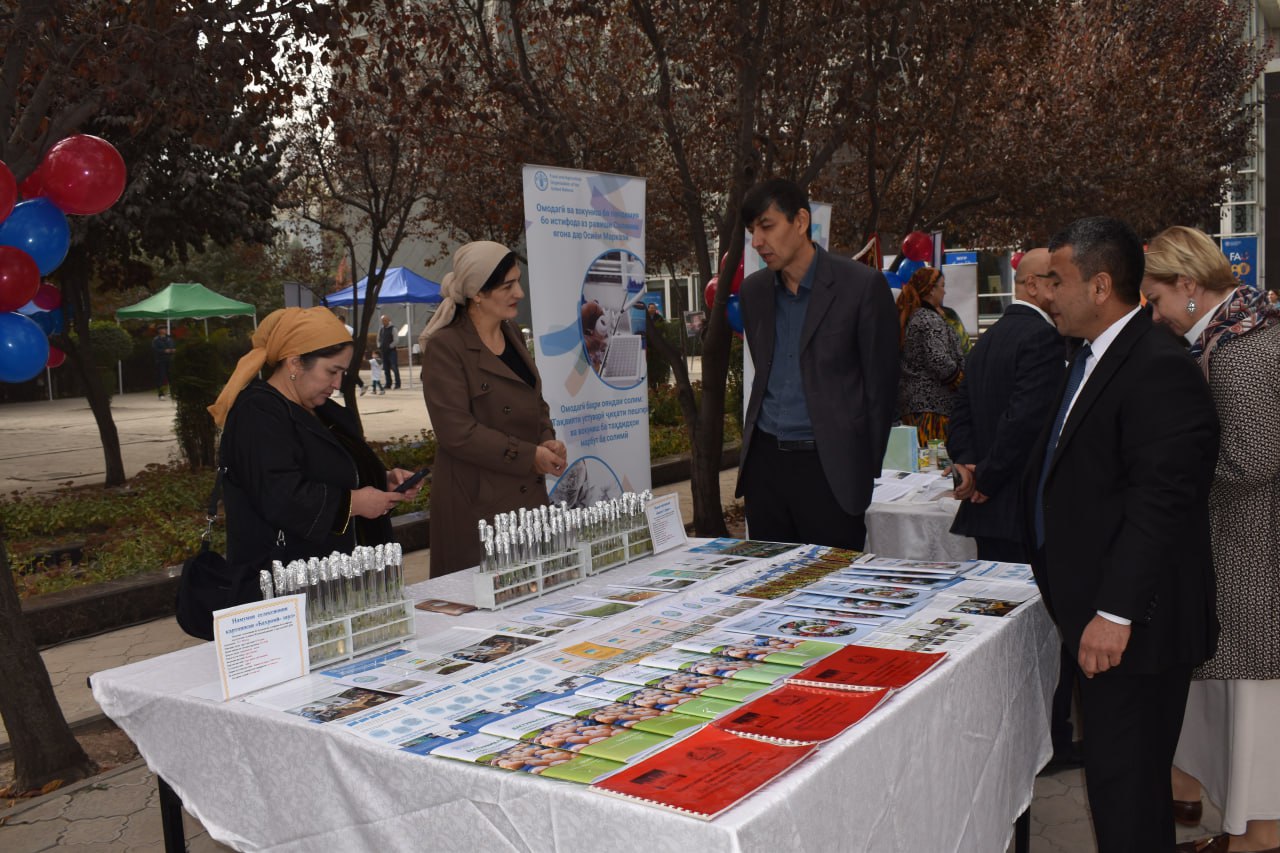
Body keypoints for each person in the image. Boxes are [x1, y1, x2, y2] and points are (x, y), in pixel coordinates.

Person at [1023, 216, 1219, 852]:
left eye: (1058, 280)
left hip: (1136, 629)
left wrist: (1114, 612)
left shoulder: (1158, 365)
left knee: (1127, 795)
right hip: (1103, 617)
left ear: (1100, 285)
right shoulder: (1091, 354)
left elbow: (1162, 502)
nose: (1047, 293)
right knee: (1120, 790)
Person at [1140, 225, 1280, 853]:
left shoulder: (1240, 349)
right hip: (1245, 540)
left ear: (1189, 285)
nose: (1155, 314)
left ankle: (1258, 835)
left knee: (1253, 695)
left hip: (1254, 547)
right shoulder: (1237, 331)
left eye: (1157, 299)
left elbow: (1252, 460)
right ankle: (1242, 823)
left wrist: (1173, 477)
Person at [946, 247, 1079, 770]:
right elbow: (1025, 423)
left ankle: (1013, 740)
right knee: (1037, 637)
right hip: (1021, 512)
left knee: (1002, 632)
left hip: (992, 510)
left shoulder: (992, 336)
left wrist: (970, 468)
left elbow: (962, 412)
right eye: (1055, 280)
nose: (1061, 290)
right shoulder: (1043, 338)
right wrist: (987, 476)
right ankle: (1048, 742)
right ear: (1032, 285)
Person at [207, 307, 421, 605]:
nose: (337, 384)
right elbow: (280, 495)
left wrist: (381, 480)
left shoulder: (323, 411)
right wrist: (354, 503)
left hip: (334, 579)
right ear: (295, 362)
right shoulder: (257, 413)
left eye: (342, 373)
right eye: (332, 371)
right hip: (285, 588)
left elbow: (328, 472)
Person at [735, 178, 899, 549]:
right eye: (751, 231)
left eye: (766, 226)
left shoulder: (861, 286)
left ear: (801, 221)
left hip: (831, 470)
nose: (757, 241)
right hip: (765, 468)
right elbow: (764, 369)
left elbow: (882, 387)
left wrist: (860, 466)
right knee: (770, 580)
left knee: (833, 582)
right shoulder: (753, 292)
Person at [419, 241, 566, 577]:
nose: (519, 293)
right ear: (478, 294)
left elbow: (534, 401)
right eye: (507, 286)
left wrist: (546, 439)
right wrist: (529, 455)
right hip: (478, 505)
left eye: (518, 282)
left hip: (526, 496)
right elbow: (456, 432)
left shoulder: (512, 333)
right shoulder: (446, 347)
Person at [896, 266, 965, 444]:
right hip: (933, 409)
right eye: (942, 286)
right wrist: (962, 382)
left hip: (912, 404)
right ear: (931, 289)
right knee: (932, 457)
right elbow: (938, 359)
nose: (945, 291)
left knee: (919, 455)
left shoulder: (912, 316)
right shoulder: (929, 319)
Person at [379, 314, 401, 390]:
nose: (383, 322)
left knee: (394, 367)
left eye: (385, 320)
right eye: (382, 321)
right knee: (386, 368)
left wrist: (390, 346)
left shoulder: (393, 328)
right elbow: (378, 339)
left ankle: (397, 384)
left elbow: (396, 340)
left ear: (388, 320)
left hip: (391, 351)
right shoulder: (381, 329)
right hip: (383, 351)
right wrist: (379, 345)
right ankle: (388, 384)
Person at [153, 329, 176, 399]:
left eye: (165, 329)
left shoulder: (169, 338)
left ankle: (172, 393)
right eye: (162, 329)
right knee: (161, 377)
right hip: (161, 360)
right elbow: (155, 349)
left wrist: (173, 350)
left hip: (170, 360)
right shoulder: (156, 340)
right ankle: (161, 394)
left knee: (171, 377)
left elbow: (173, 346)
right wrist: (164, 351)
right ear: (159, 331)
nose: (164, 330)